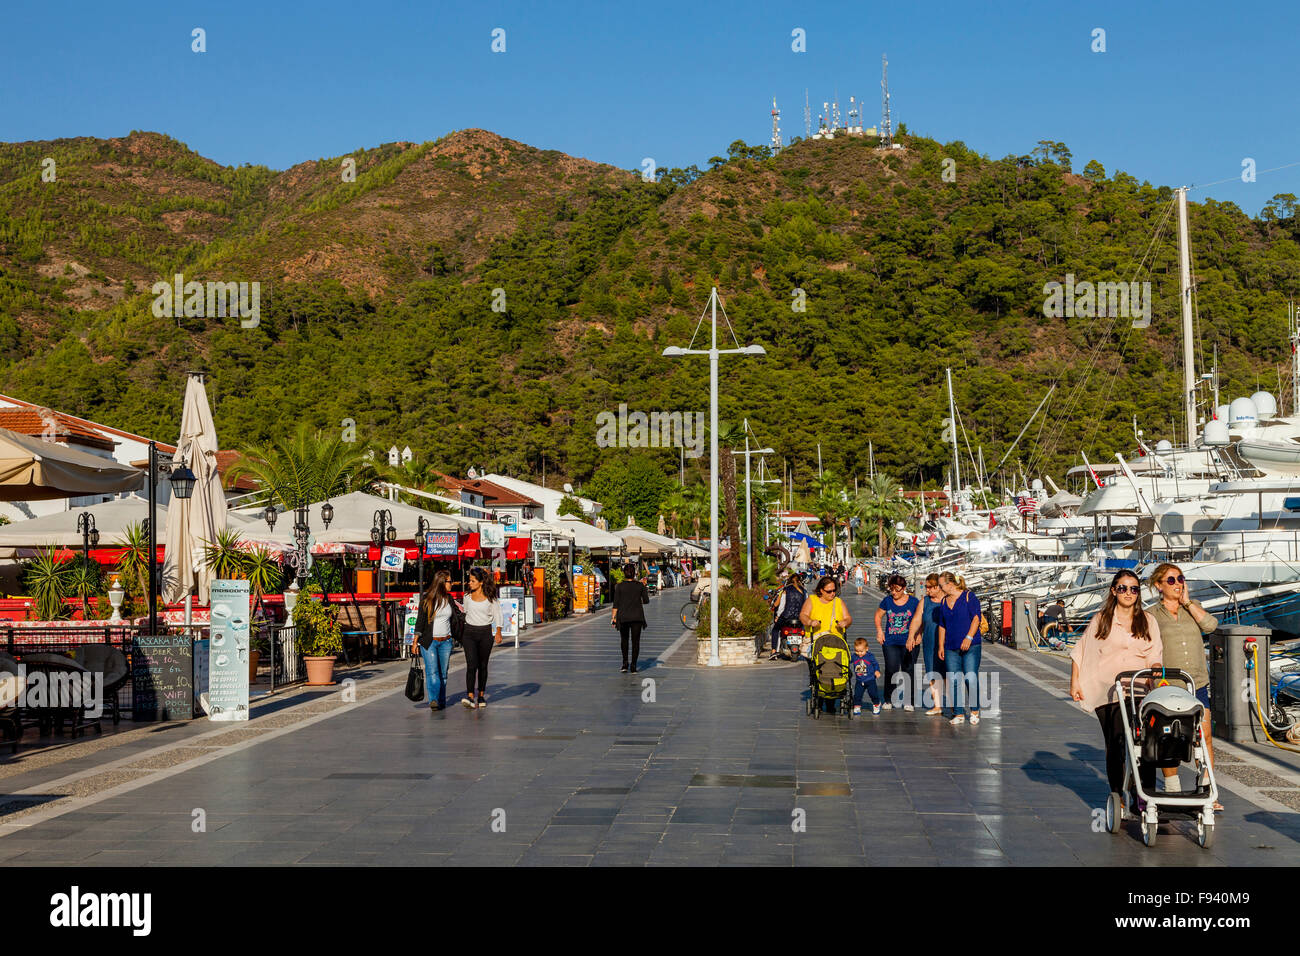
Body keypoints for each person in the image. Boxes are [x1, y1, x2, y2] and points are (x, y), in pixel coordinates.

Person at [1070, 570, 1162, 806]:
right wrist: (1075, 681)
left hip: (1139, 687)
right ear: (1113, 590)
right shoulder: (1101, 619)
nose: (1128, 593)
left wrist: (1157, 668)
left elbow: (1154, 652)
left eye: (1133, 589)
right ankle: (1118, 793)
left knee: (1144, 743)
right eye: (1123, 588)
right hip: (1107, 689)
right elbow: (1081, 650)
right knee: (1117, 742)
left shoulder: (1148, 620)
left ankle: (1145, 794)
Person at [1148, 563, 1222, 811]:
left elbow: (1211, 626)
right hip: (1170, 684)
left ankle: (1208, 790)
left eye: (1180, 578)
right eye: (1171, 580)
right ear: (1159, 585)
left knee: (1205, 737)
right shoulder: (1152, 615)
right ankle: (1172, 787)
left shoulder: (1193, 608)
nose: (1178, 584)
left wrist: (1188, 602)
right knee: (1171, 737)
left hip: (1197, 682)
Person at [936, 571, 982, 725]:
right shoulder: (943, 602)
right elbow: (942, 625)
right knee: (954, 680)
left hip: (971, 645)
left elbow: (976, 618)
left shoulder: (969, 596)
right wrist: (941, 645)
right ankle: (959, 713)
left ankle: (974, 711)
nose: (940, 589)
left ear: (950, 584)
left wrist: (968, 637)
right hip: (950, 646)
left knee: (970, 677)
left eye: (941, 586)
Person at [800, 575, 852, 710]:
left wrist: (844, 622)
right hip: (816, 641)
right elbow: (803, 615)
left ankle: (831, 696)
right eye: (829, 591)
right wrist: (810, 622)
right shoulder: (812, 600)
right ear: (821, 590)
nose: (832, 593)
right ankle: (820, 695)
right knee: (817, 670)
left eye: (834, 590)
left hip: (835, 643)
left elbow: (848, 618)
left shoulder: (838, 602)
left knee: (836, 668)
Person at [875, 574, 923, 710]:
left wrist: (919, 634)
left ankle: (909, 701)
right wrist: (879, 631)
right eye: (892, 590)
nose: (894, 593)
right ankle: (888, 699)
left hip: (909, 641)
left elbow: (920, 619)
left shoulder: (914, 602)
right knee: (891, 668)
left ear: (904, 588)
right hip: (890, 641)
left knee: (908, 669)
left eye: (897, 590)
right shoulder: (887, 601)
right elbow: (878, 615)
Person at [412, 570, 457, 711]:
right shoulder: (427, 599)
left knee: (443, 673)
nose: (452, 584)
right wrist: (415, 642)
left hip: (446, 641)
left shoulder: (449, 599)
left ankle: (441, 700)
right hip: (429, 641)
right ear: (442, 583)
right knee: (432, 672)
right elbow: (420, 622)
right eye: (449, 581)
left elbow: (456, 618)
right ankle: (434, 700)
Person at [460, 566, 503, 708]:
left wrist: (498, 632)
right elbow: (465, 612)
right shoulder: (467, 597)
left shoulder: (491, 598)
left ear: (481, 582)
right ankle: (470, 695)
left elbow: (498, 615)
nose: (469, 583)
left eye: (472, 581)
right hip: (469, 633)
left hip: (485, 633)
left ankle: (481, 695)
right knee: (471, 664)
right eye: (469, 581)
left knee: (482, 666)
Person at [611, 561, 650, 673]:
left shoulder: (619, 586)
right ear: (634, 574)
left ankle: (624, 664)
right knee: (635, 642)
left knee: (624, 640)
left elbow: (616, 604)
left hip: (623, 617)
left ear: (624, 573)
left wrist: (613, 617)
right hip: (637, 617)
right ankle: (633, 665)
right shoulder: (640, 586)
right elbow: (646, 601)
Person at [768, 571, 807, 661]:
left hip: (786, 617)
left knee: (775, 630)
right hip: (799, 618)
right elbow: (806, 605)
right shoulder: (804, 591)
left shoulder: (786, 590)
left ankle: (774, 651)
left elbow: (782, 606)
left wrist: (778, 616)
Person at [921, 573, 945, 715]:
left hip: (947, 642)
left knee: (948, 673)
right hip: (930, 642)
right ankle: (937, 706)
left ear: (938, 587)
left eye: (929, 587)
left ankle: (954, 705)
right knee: (932, 672)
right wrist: (914, 635)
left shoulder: (948, 600)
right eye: (926, 587)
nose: (927, 590)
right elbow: (918, 619)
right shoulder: (925, 601)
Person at [850, 637, 883, 716]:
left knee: (873, 693)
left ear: (866, 649)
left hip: (870, 679)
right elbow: (848, 660)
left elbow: (875, 664)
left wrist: (877, 670)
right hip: (859, 680)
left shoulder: (870, 656)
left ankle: (876, 704)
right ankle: (857, 706)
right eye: (857, 651)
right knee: (857, 694)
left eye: (861, 651)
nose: (859, 653)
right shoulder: (854, 656)